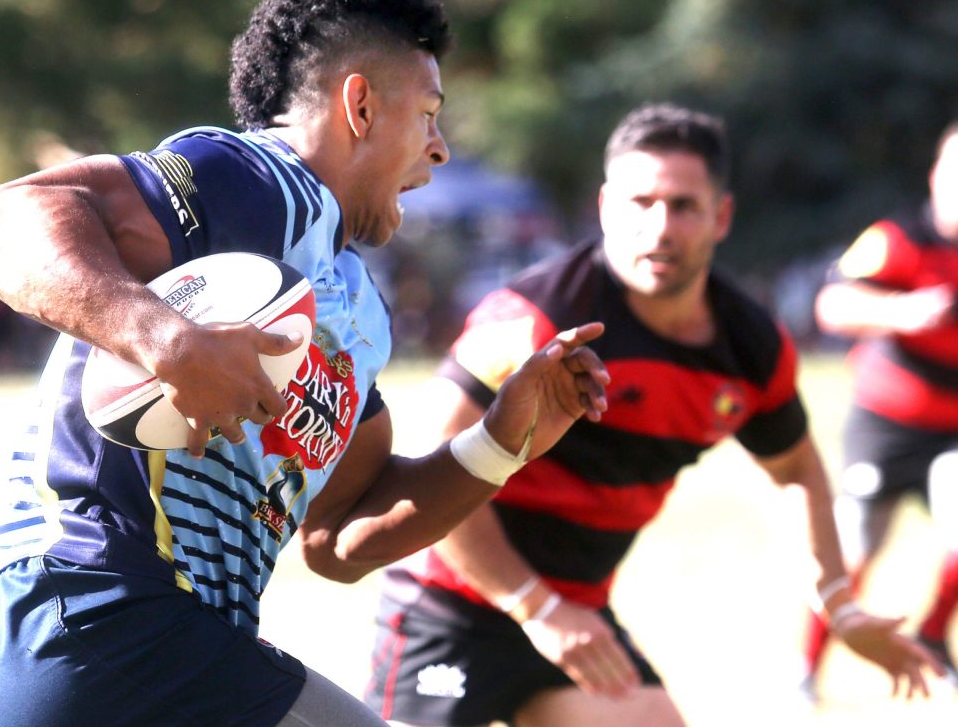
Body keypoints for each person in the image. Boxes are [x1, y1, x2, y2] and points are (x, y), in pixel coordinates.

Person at [0, 0, 614, 726]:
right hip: (97, 619)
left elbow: (339, 535)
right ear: (359, 104)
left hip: (67, 647)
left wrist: (503, 441)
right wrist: (169, 342)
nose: (440, 148)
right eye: (428, 113)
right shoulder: (260, 180)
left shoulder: (355, 306)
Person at [364, 102, 943, 727]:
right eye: (641, 203)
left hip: (580, 617)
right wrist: (536, 609)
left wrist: (841, 605)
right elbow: (432, 462)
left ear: (721, 217)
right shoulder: (533, 316)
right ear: (608, 206)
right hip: (448, 606)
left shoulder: (749, 348)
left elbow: (797, 469)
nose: (661, 227)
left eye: (684, 206)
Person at [800, 120, 958, 699]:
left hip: (953, 429)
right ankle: (804, 668)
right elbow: (832, 304)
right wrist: (905, 313)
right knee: (855, 551)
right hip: (888, 422)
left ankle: (937, 641)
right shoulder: (897, 239)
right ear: (938, 176)